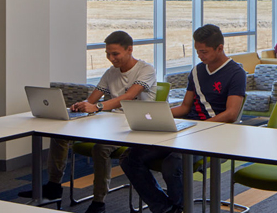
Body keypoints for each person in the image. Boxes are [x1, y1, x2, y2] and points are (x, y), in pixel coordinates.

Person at [18, 31, 156, 213]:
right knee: (59, 136)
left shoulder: (146, 70)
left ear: (129, 49)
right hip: (111, 122)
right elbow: (93, 98)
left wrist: (97, 107)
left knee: (101, 148)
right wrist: (82, 105)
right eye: (108, 54)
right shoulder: (110, 73)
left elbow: (129, 96)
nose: (111, 58)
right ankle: (53, 186)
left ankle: (99, 202)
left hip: (135, 125)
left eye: (115, 54)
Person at [120, 24, 246, 213]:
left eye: (204, 52)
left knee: (173, 164)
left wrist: (198, 127)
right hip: (189, 130)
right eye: (197, 51)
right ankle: (167, 209)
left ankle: (178, 208)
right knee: (129, 158)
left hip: (215, 134)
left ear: (220, 48)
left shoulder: (236, 73)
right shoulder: (197, 71)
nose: (200, 56)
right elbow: (185, 107)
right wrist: (159, 115)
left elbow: (231, 114)